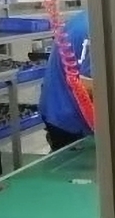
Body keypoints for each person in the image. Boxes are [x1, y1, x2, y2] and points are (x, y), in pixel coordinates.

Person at [39, 10, 93, 151]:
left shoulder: (87, 17)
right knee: (75, 162)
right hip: (68, 116)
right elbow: (87, 84)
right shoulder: (96, 29)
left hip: (57, 106)